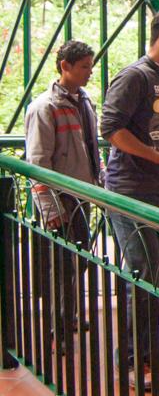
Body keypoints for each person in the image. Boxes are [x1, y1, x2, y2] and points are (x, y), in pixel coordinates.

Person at [100, 8, 159, 381]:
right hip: (129, 189)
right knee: (141, 271)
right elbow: (112, 129)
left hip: (155, 188)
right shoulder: (135, 76)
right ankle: (130, 355)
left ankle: (145, 349)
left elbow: (152, 128)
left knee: (152, 271)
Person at [24, 40, 103, 339]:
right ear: (65, 67)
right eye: (84, 67)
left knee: (76, 259)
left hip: (82, 193)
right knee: (63, 264)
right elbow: (38, 160)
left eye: (90, 66)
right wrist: (49, 206)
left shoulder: (84, 101)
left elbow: (91, 148)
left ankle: (67, 315)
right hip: (62, 196)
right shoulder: (44, 107)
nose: (90, 73)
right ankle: (60, 323)